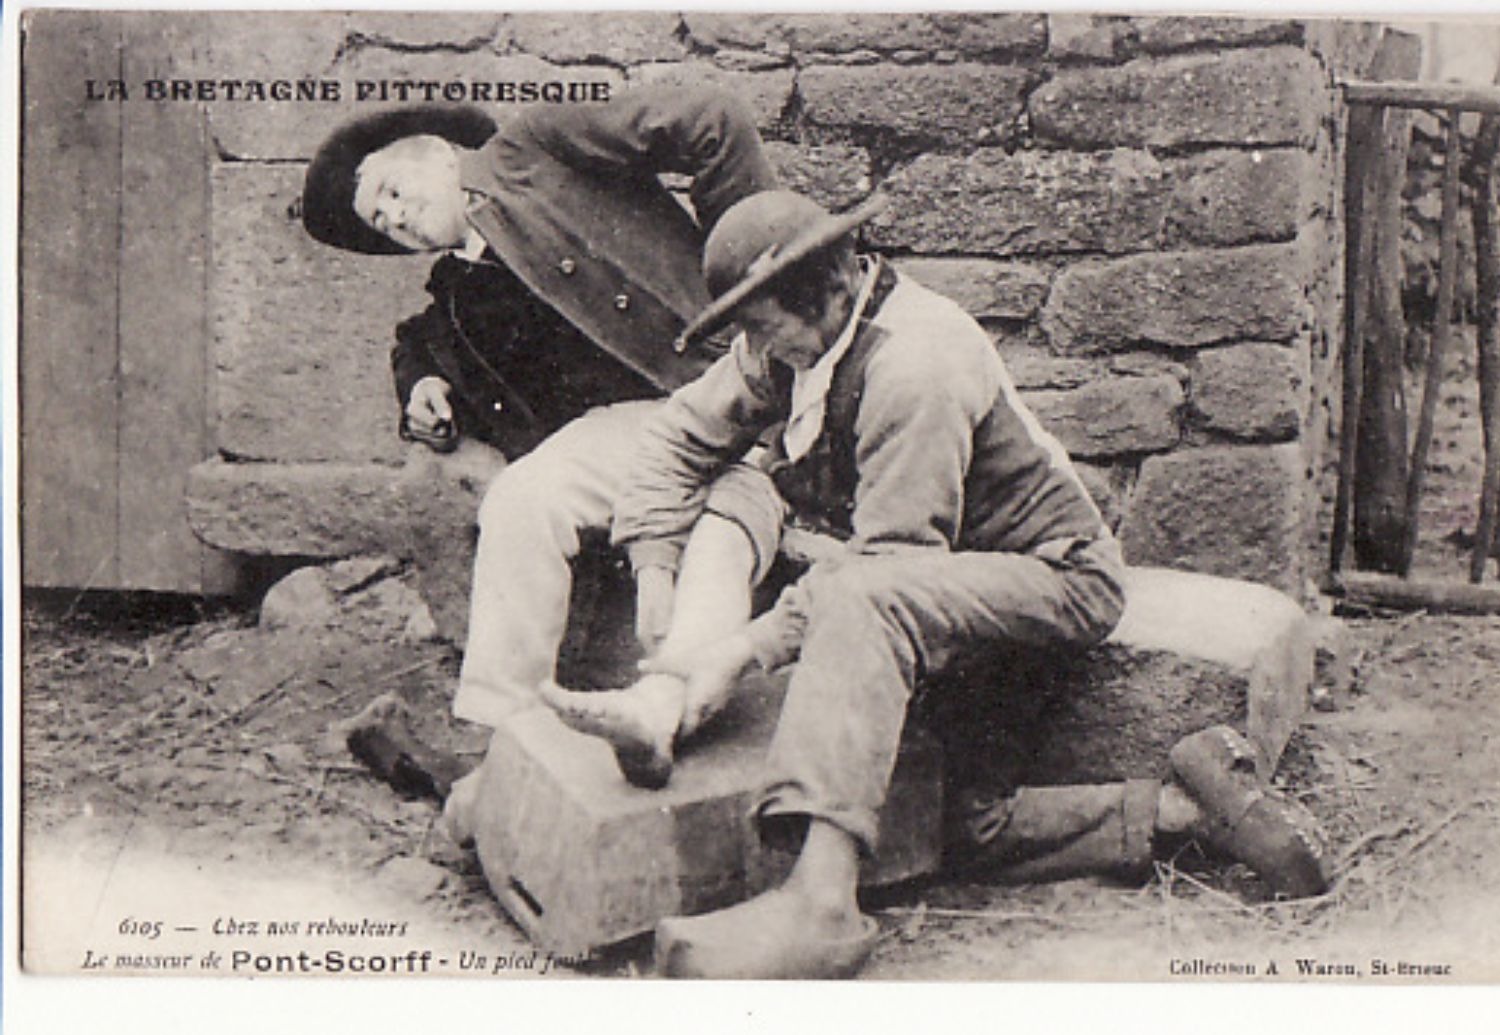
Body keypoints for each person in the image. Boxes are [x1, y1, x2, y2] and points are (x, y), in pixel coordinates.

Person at [541, 190, 1330, 979]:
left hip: (1050, 578)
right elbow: (678, 437)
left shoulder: (915, 362)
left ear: (826, 287)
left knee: (858, 594)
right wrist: (652, 564)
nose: (753, 346)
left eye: (760, 321)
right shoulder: (790, 344)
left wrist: (745, 648)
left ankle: (818, 908)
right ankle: (1183, 808)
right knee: (949, 824)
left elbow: (890, 570)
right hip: (949, 584)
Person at [299, 88, 787, 795]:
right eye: (382, 222)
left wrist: (757, 284)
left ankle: (593, 734)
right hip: (646, 437)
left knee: (721, 521)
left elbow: (712, 116)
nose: (395, 218)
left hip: (727, 389)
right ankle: (509, 744)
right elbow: (418, 341)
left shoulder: (533, 149)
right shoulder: (461, 294)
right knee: (524, 499)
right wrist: (420, 386)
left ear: (441, 153)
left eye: (392, 191)